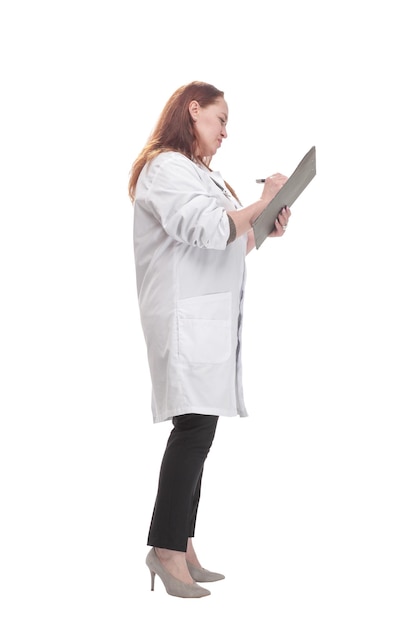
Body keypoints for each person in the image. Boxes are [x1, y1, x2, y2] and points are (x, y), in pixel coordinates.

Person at [128, 81, 291, 598]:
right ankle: (165, 549)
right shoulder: (165, 168)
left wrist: (264, 226)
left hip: (204, 319)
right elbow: (205, 230)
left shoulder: (203, 174)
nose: (225, 133)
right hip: (181, 318)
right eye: (220, 120)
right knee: (194, 431)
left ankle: (181, 541)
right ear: (192, 111)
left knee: (200, 430)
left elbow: (225, 245)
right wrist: (261, 202)